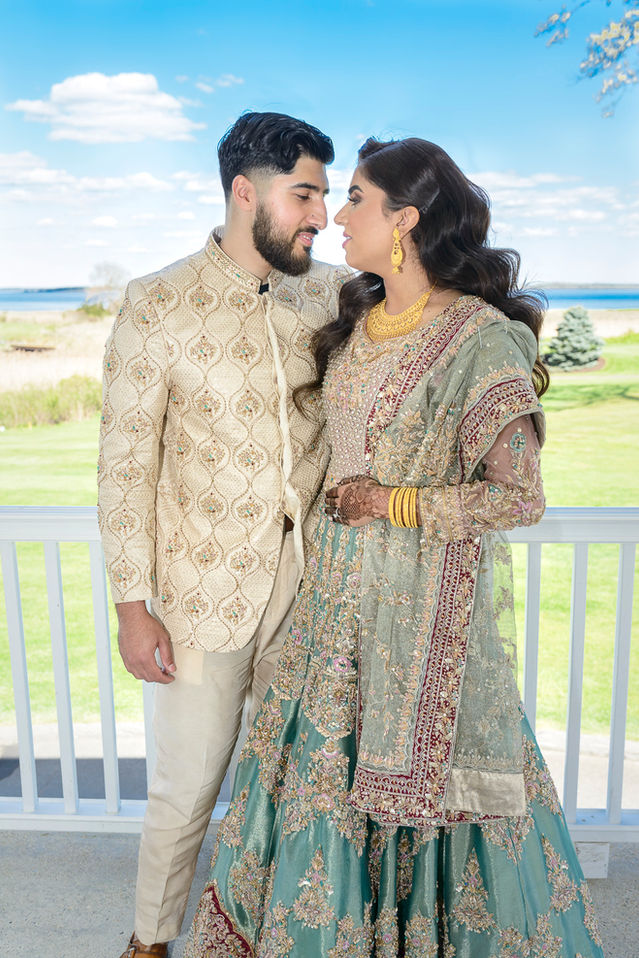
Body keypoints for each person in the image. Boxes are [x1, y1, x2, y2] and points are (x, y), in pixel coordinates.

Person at [184, 137, 604, 957]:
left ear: (404, 220)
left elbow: (517, 495)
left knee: (430, 799)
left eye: (355, 200)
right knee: (319, 792)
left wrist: (394, 502)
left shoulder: (478, 337)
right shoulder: (358, 318)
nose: (337, 216)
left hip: (428, 619)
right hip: (334, 616)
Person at [97, 111, 349, 958]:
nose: (320, 213)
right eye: (304, 193)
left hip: (312, 591)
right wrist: (134, 607)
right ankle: (148, 940)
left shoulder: (331, 291)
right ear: (246, 193)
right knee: (187, 785)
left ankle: (268, 931)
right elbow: (124, 468)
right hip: (199, 597)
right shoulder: (156, 303)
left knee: (292, 785)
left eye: (323, 193)